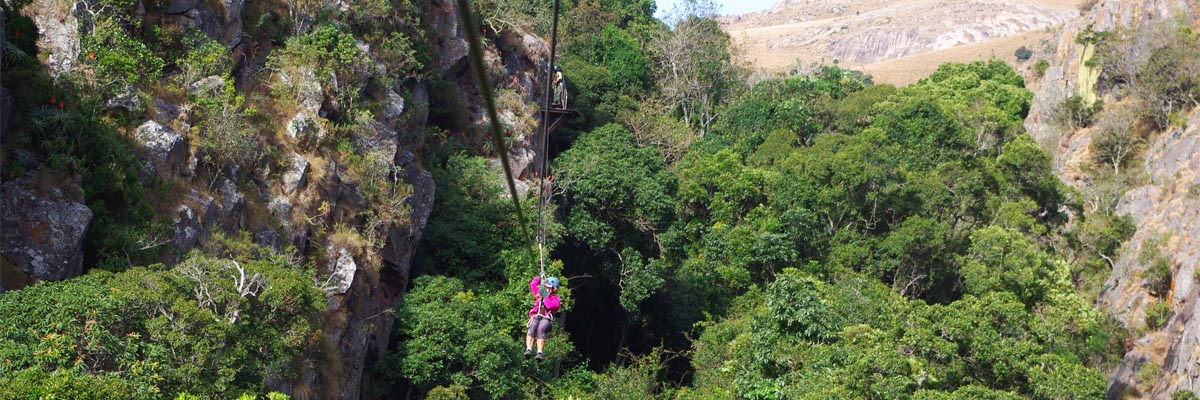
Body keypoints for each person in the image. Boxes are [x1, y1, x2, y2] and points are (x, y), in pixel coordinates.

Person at [524, 275, 561, 360]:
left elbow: (549, 306)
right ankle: (529, 349)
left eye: (548, 287)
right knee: (532, 326)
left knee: (541, 328)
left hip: (546, 318)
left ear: (553, 289)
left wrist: (544, 295)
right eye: (545, 287)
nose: (546, 289)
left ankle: (539, 352)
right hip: (536, 315)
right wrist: (539, 278)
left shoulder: (556, 299)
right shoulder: (541, 292)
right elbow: (533, 284)